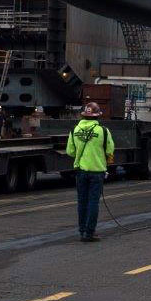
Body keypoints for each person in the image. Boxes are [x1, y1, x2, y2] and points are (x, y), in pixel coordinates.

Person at [65, 102, 115, 242]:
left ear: (83, 115)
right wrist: (106, 162)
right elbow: (110, 151)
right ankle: (89, 233)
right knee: (93, 202)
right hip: (97, 172)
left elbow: (70, 151)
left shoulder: (75, 130)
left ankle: (82, 231)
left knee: (82, 202)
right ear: (98, 116)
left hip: (81, 171)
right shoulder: (103, 131)